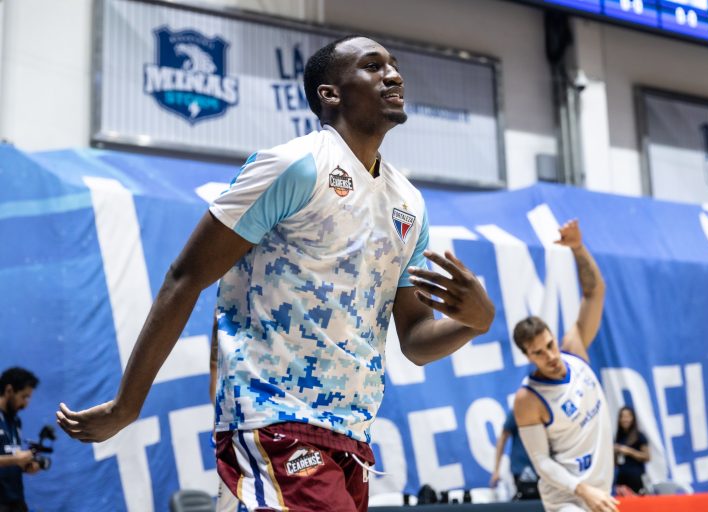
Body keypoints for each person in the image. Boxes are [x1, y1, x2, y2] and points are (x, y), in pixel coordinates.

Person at [57, 35, 495, 512]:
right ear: (330, 93)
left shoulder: (409, 203)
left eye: (393, 64)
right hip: (272, 419)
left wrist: (475, 323)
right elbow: (184, 277)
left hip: (352, 434)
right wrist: (127, 405)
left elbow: (415, 340)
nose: (393, 75)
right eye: (373, 66)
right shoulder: (293, 166)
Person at [512, 219, 618, 512]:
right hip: (567, 499)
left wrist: (578, 248)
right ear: (528, 357)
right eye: (538, 353)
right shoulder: (528, 398)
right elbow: (542, 462)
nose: (550, 355)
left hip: (600, 493)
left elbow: (595, 291)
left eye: (549, 345)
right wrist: (583, 491)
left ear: (553, 337)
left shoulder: (574, 350)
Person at [0, 368, 40, 512]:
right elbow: (13, 458)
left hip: (17, 501)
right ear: (9, 390)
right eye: (24, 397)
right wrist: (16, 459)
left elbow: (10, 455)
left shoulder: (15, 421)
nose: (26, 404)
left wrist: (25, 465)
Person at [490, 409, 539, 500]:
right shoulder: (518, 410)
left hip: (542, 466)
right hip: (521, 468)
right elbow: (503, 437)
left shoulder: (545, 408)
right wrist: (496, 470)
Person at [613, 406, 649, 495]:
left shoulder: (639, 436)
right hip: (621, 479)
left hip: (636, 479)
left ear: (633, 418)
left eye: (628, 416)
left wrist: (629, 451)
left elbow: (647, 457)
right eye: (622, 417)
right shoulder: (618, 437)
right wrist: (615, 451)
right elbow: (615, 462)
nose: (625, 419)